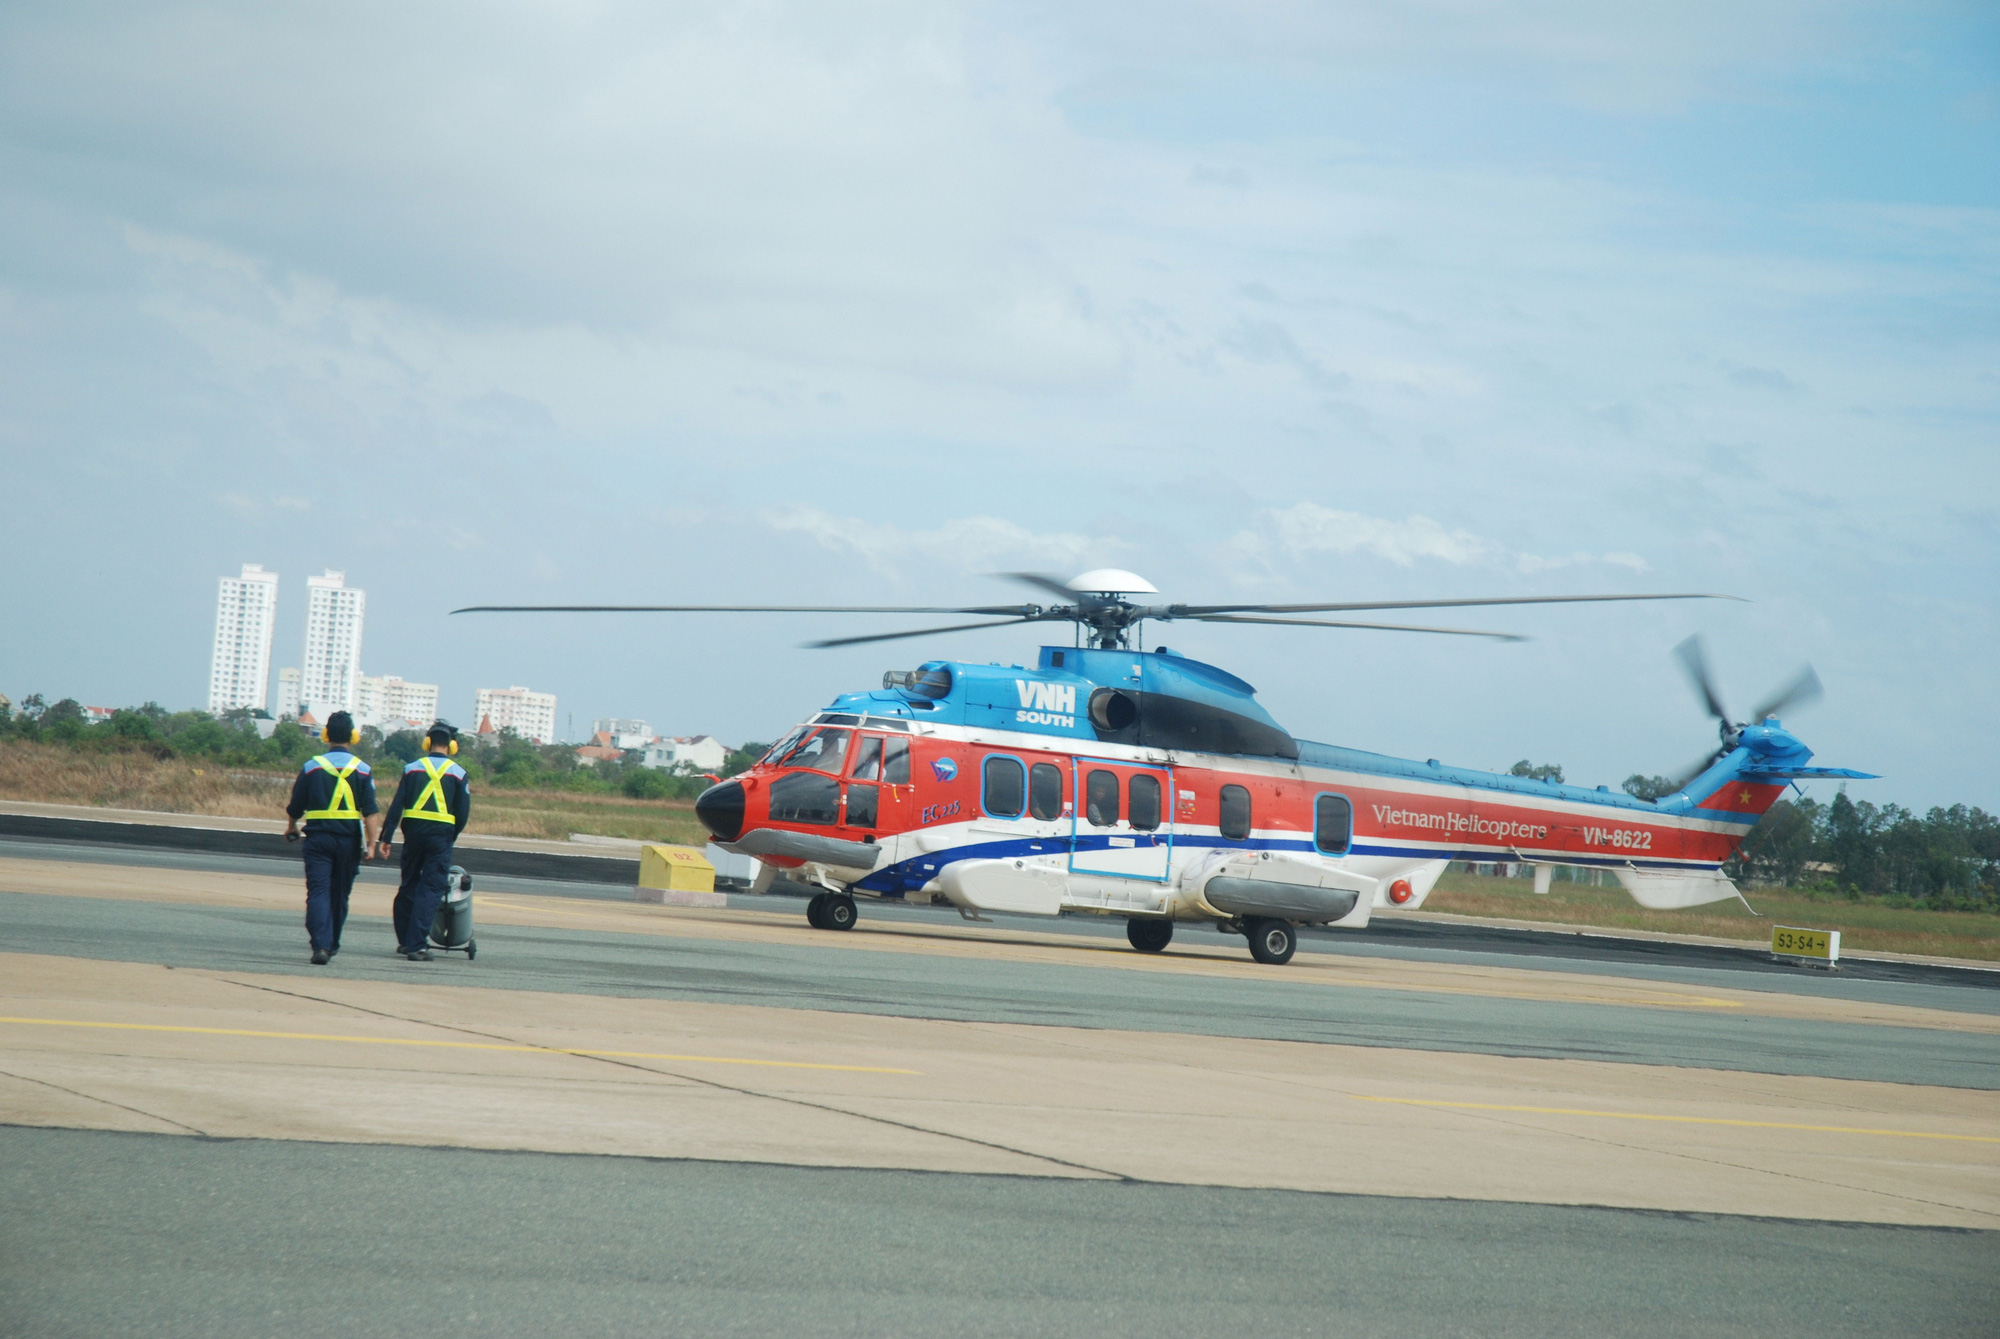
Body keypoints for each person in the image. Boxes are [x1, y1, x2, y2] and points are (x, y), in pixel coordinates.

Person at [283, 710, 381, 965]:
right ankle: (332, 943)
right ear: (353, 736)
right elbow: (370, 812)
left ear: (326, 734)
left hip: (318, 841)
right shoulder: (363, 770)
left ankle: (320, 945)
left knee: (318, 892)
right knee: (340, 894)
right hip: (348, 842)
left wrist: (292, 826)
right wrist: (372, 844)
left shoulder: (311, 767)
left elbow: (295, 806)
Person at [375, 721, 471, 961]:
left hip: (413, 835)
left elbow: (397, 805)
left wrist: (386, 837)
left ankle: (406, 942)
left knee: (408, 884)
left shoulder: (411, 768)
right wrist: (452, 835)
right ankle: (417, 945)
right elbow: (463, 813)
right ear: (451, 745)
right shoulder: (458, 773)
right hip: (440, 837)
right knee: (431, 888)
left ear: (427, 743)